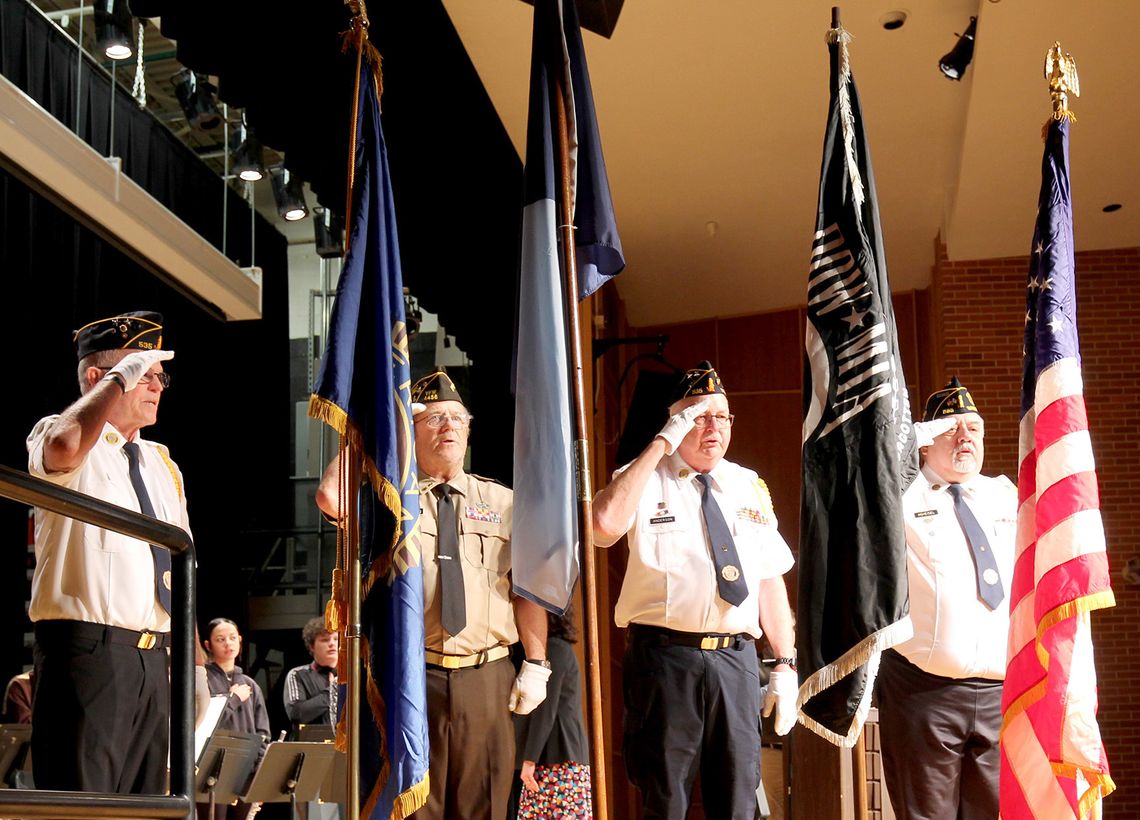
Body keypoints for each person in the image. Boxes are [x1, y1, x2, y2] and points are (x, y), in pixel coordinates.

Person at [316, 369, 550, 820]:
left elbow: (527, 590)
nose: (448, 428)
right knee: (414, 808)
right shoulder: (389, 502)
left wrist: (536, 663)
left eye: (456, 419)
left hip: (488, 675)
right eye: (433, 419)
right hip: (410, 677)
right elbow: (331, 497)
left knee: (486, 805)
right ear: (410, 429)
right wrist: (374, 429)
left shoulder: (504, 503)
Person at [592, 361, 798, 820]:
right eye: (698, 415)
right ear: (675, 419)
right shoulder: (643, 475)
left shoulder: (747, 485)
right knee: (665, 800)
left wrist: (784, 662)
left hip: (736, 660)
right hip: (665, 660)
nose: (713, 427)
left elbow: (769, 579)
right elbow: (602, 527)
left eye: (721, 416)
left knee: (739, 800)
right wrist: (662, 442)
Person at [26, 310, 183, 794]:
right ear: (100, 379)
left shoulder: (161, 462)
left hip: (154, 659)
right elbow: (65, 443)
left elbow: (178, 564)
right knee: (83, 801)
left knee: (147, 806)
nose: (157, 384)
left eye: (160, 374)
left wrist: (190, 657)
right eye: (143, 372)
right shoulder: (58, 431)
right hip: (89, 654)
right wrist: (120, 376)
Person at [877, 377, 1017, 820]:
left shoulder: (1006, 495)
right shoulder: (898, 495)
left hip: (1000, 692)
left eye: (973, 429)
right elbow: (863, 476)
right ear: (923, 441)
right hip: (924, 692)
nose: (964, 439)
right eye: (951, 429)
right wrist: (909, 438)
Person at [509, 609, 591, 819]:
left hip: (558, 758)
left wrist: (528, 760)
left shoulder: (554, 649)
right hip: (551, 759)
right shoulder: (558, 649)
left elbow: (545, 709)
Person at [199, 617, 271, 820]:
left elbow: (263, 732)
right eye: (220, 639)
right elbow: (204, 724)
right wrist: (233, 699)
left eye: (232, 638)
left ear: (240, 640)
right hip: (213, 768)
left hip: (246, 769)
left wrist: (259, 769)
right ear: (208, 645)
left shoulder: (249, 683)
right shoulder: (203, 679)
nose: (228, 643)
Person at [283, 616, 339, 734]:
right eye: (325, 640)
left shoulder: (352, 677)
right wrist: (333, 691)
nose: (332, 644)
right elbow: (297, 714)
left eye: (336, 639)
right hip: (311, 746)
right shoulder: (298, 675)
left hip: (346, 746)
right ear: (312, 646)